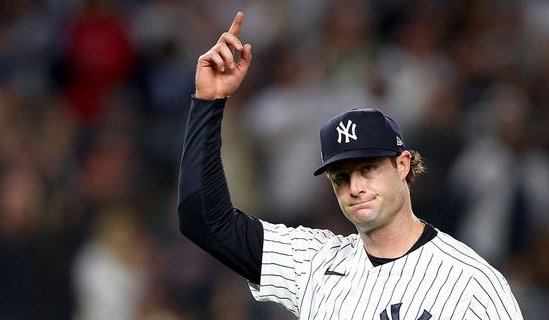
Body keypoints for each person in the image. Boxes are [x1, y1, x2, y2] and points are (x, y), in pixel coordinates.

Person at [177, 12, 524, 319]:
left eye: (367, 169)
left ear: (402, 165)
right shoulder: (314, 262)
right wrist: (209, 102)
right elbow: (204, 220)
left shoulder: (470, 284)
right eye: (341, 177)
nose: (354, 187)